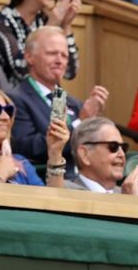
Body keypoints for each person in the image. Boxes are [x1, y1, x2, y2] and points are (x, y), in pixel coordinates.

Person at [9, 27, 105, 170]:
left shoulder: (75, 104)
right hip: (46, 182)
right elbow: (28, 148)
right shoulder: (15, 99)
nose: (60, 61)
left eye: (64, 55)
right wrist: (81, 123)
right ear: (29, 57)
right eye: (52, 53)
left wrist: (93, 125)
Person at [0, 0, 83, 92]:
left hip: (54, 102)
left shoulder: (44, 20)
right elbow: (21, 69)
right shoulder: (0, 23)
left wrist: (66, 25)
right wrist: (51, 27)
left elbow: (70, 72)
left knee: (81, 110)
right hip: (17, 107)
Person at [59, 118, 138, 195]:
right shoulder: (64, 190)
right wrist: (129, 205)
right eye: (113, 146)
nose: (121, 154)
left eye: (124, 147)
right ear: (85, 155)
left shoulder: (127, 193)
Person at [0, 86, 53, 188]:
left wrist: (55, 154)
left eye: (8, 110)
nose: (6, 117)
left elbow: (50, 201)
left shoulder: (21, 163)